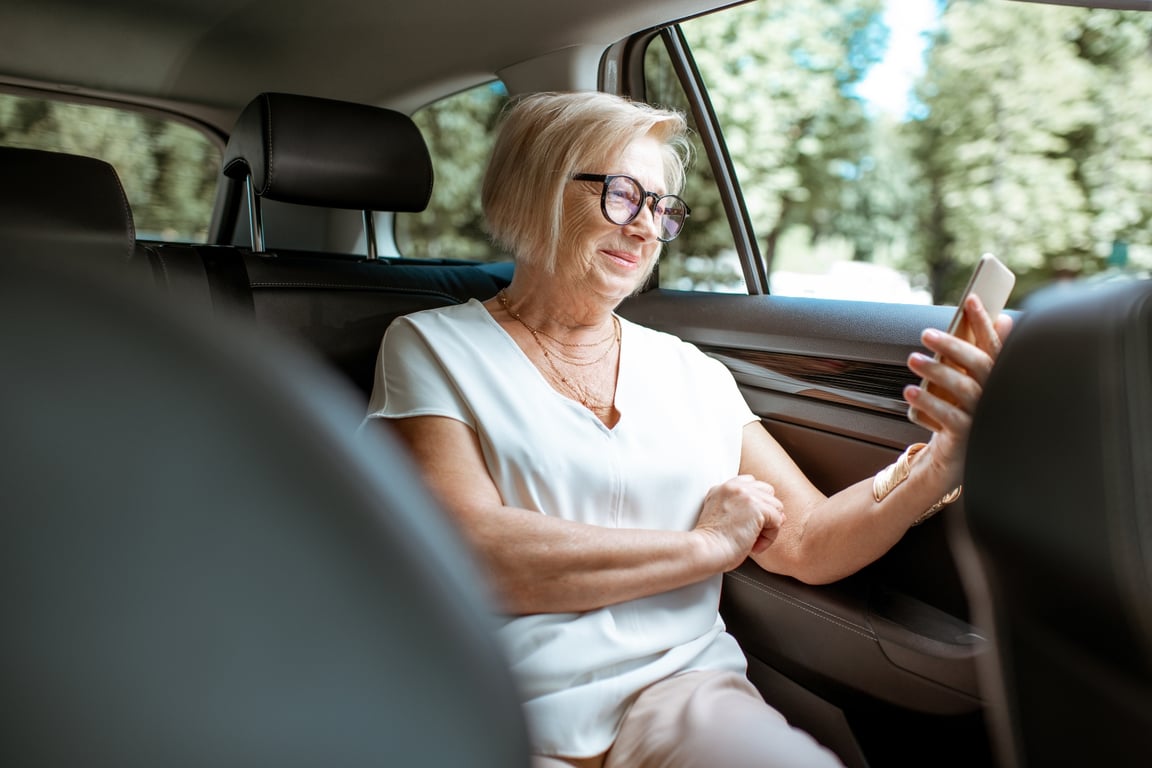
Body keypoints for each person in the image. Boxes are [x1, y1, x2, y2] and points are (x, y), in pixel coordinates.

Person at [364, 91, 1012, 768]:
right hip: (492, 703)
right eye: (622, 195)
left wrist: (937, 465)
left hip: (681, 696)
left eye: (661, 207)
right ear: (536, 190)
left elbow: (805, 540)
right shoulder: (430, 346)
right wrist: (705, 547)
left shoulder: (690, 371)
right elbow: (477, 558)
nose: (646, 228)